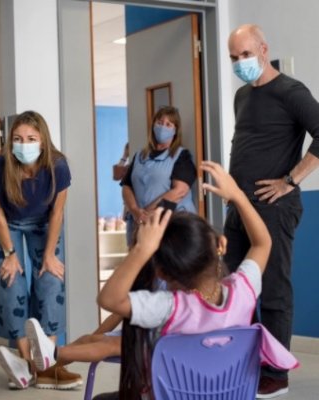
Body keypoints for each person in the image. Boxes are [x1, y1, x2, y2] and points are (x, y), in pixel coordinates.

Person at [51, 160, 296, 399]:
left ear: (162, 273)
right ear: (221, 245)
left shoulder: (170, 307)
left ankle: (49, 358)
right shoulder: (244, 290)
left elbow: (108, 299)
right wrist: (238, 196)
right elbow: (263, 243)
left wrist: (141, 250)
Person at [227, 24, 319, 398]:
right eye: (233, 57)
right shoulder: (241, 96)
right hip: (239, 207)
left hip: (275, 208)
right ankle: (244, 361)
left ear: (263, 49)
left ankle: (276, 373)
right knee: (232, 286)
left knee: (274, 290)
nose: (239, 63)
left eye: (245, 55)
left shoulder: (291, 92)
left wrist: (289, 181)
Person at [0, 110, 81, 390]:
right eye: (18, 138)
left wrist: (49, 255)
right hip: (5, 223)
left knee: (51, 278)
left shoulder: (58, 166)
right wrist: (10, 255)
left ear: (43, 141)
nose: (24, 144)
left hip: (43, 222)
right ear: (10, 141)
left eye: (31, 138)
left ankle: (45, 362)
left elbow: (57, 213)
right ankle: (25, 362)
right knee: (11, 280)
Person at [121, 106, 197, 245]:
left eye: (168, 124)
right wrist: (135, 210)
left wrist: (147, 212)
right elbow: (126, 186)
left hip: (171, 224)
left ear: (175, 130)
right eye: (160, 122)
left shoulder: (181, 156)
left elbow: (180, 191)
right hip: (139, 223)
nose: (163, 127)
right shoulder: (139, 156)